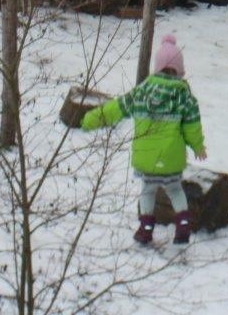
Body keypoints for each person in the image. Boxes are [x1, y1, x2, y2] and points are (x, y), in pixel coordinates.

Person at [81, 34, 207, 245]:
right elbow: (192, 126)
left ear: (156, 68)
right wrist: (198, 146)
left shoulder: (141, 93)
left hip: (146, 159)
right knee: (175, 189)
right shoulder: (184, 97)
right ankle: (183, 225)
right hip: (171, 158)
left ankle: (146, 228)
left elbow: (116, 108)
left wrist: (89, 119)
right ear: (179, 70)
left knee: (148, 191)